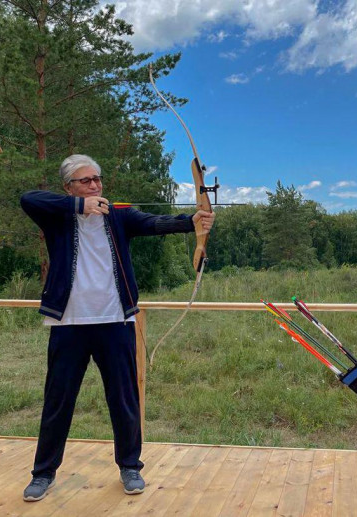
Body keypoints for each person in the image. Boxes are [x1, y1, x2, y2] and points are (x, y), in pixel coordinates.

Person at [20, 154, 215, 502]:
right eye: (85, 181)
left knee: (124, 399)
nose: (95, 185)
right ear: (69, 188)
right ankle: (43, 473)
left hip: (115, 321)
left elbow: (155, 222)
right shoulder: (58, 216)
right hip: (69, 324)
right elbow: (28, 198)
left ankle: (130, 466)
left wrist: (193, 222)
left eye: (97, 179)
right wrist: (79, 206)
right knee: (58, 401)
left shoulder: (119, 216)